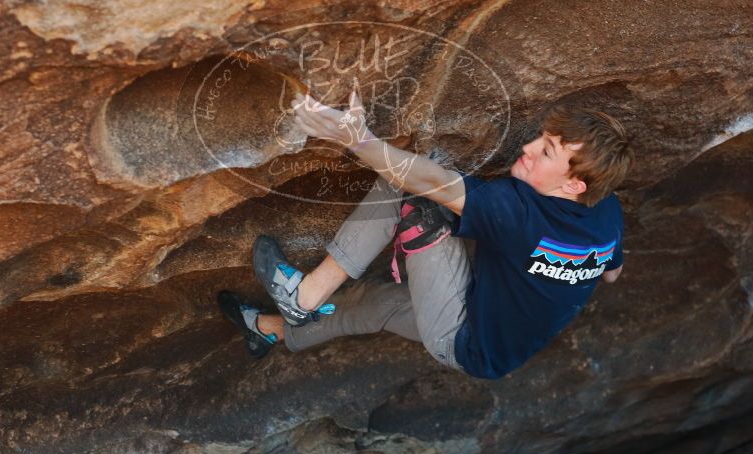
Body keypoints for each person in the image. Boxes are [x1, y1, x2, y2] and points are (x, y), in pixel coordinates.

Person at [219, 90, 633, 379]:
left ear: (573, 185)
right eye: (542, 137)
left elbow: (427, 177)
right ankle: (269, 330)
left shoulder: (520, 216)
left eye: (546, 152)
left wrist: (356, 138)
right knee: (376, 303)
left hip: (461, 338)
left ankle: (303, 296)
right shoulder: (605, 213)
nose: (527, 147)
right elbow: (611, 273)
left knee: (414, 193)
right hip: (496, 346)